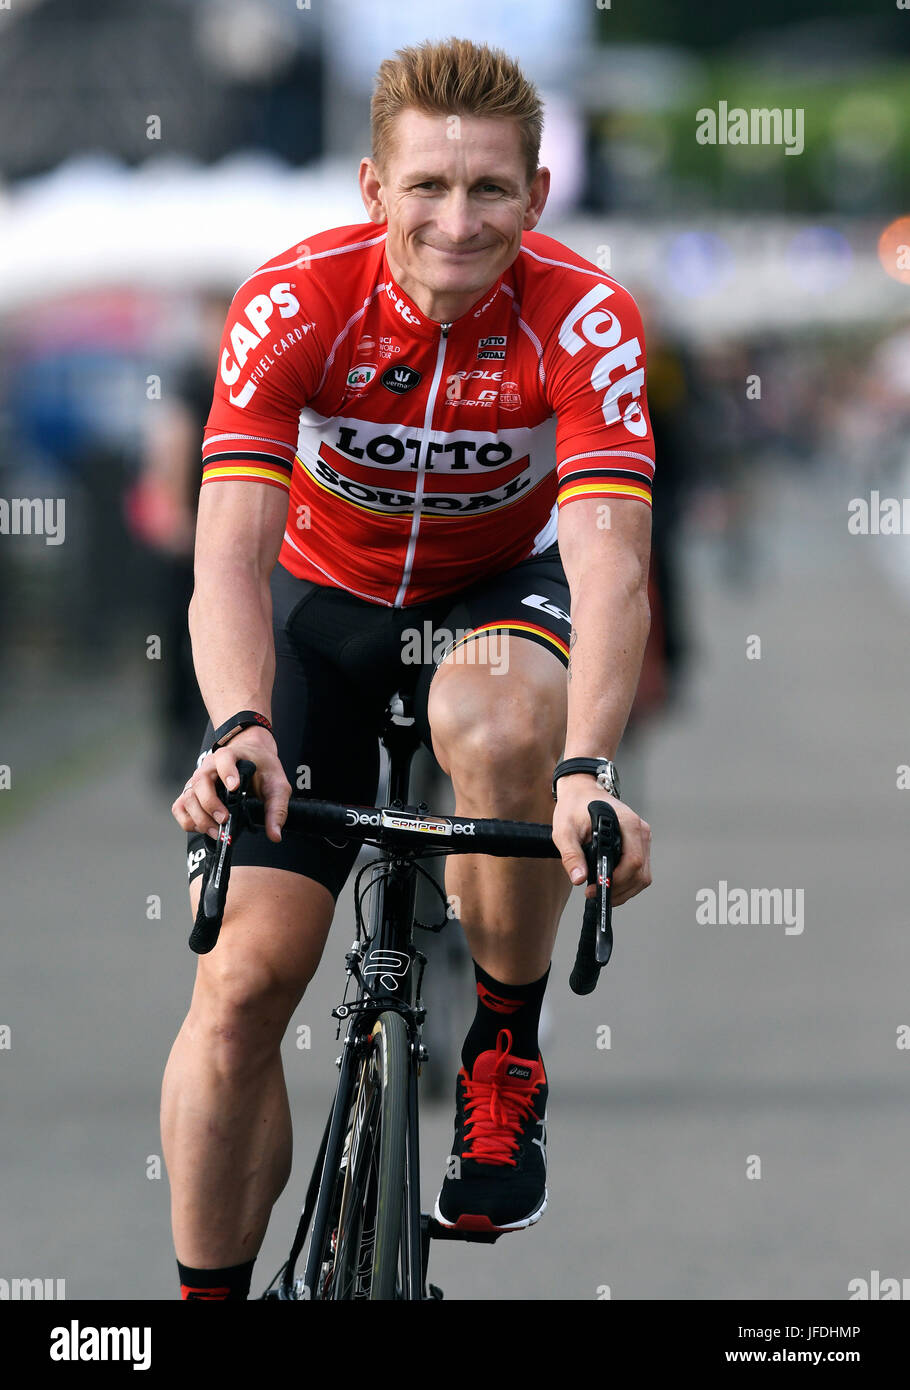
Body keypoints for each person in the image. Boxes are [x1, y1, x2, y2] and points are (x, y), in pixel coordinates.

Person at [166, 36, 653, 1301]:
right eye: (426, 187)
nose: (457, 219)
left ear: (536, 196)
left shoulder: (582, 311)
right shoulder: (296, 299)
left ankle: (503, 1051)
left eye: (490, 189)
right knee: (242, 989)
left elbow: (609, 568)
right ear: (372, 188)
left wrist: (589, 770)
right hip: (321, 607)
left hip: (497, 599)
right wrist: (236, 724)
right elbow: (228, 555)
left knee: (493, 723)